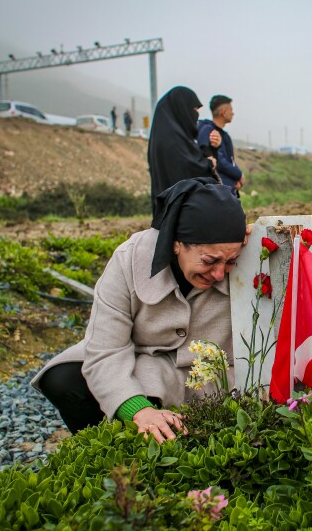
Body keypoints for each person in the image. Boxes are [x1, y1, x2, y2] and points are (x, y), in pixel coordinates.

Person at [33, 178, 247, 443]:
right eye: (209, 261)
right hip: (141, 364)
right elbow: (105, 349)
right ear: (177, 242)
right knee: (64, 379)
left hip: (212, 381)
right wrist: (138, 410)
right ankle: (113, 451)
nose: (218, 273)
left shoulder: (245, 255)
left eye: (229, 262)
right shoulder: (130, 259)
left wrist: (263, 238)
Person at [147, 86, 221, 213]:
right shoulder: (171, 139)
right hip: (180, 216)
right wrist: (209, 164)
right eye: (194, 110)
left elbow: (192, 162)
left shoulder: (171, 136)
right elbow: (187, 171)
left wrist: (212, 149)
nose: (196, 116)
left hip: (173, 212)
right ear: (182, 110)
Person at [198, 95, 245, 196]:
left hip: (228, 189)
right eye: (231, 109)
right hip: (220, 190)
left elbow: (230, 161)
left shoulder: (225, 135)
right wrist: (239, 175)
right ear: (223, 112)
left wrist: (236, 178)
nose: (233, 113)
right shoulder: (208, 130)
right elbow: (220, 160)